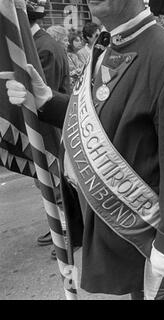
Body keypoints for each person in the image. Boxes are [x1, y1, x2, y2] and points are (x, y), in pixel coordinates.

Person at [2, 0, 164, 300]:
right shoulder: (107, 48)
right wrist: (46, 99)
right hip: (107, 226)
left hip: (145, 237)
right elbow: (104, 119)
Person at [26, 0, 70, 249]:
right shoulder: (36, 44)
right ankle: (58, 226)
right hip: (43, 128)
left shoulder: (44, 47)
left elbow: (48, 96)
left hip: (50, 128)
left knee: (55, 182)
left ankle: (67, 231)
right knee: (46, 182)